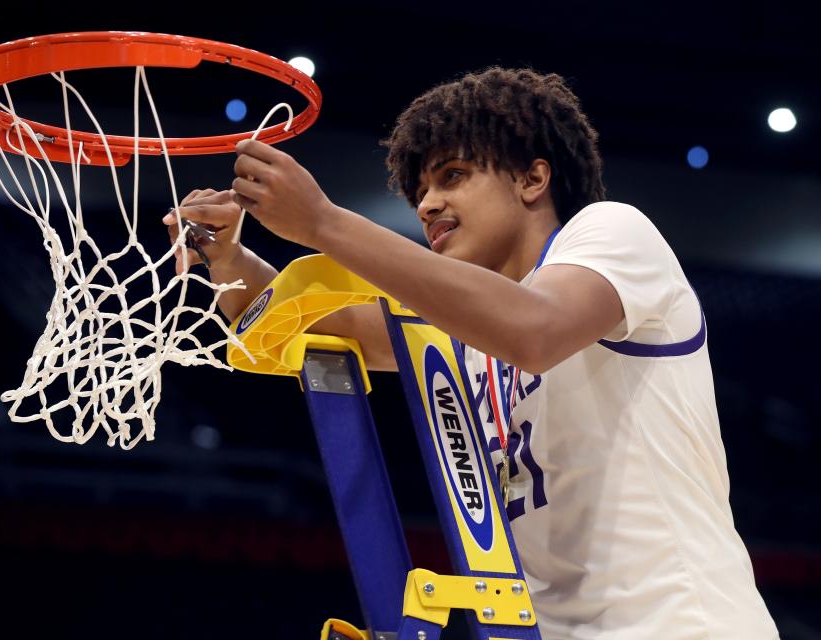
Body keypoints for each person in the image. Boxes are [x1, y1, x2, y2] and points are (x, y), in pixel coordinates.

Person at [163, 67, 778, 638]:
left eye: (452, 176)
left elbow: (535, 332)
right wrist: (228, 257)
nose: (427, 204)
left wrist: (324, 222)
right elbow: (295, 327)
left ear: (532, 178)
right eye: (419, 190)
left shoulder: (613, 231)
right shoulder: (465, 325)